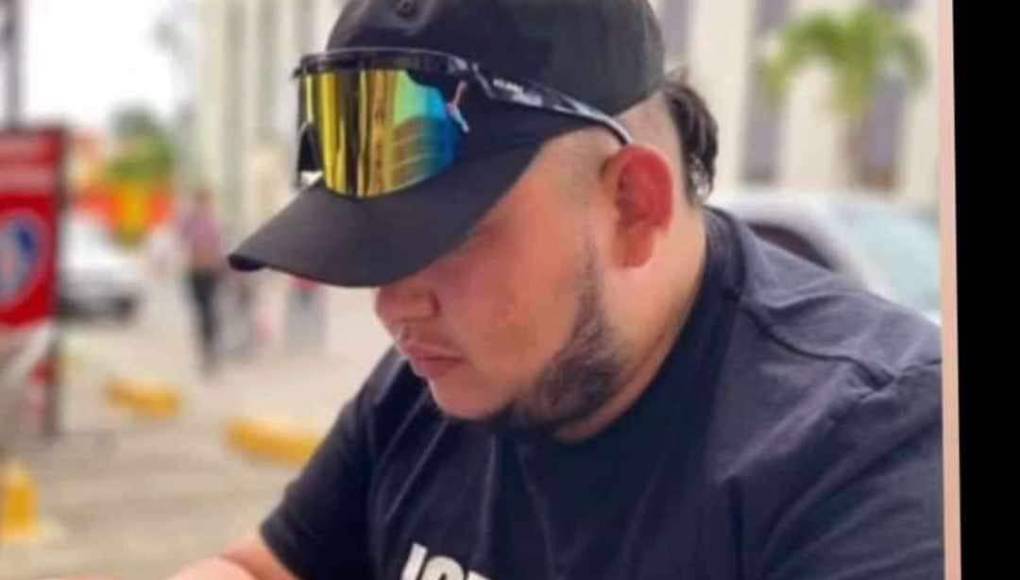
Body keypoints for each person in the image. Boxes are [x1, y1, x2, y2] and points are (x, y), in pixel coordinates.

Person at [170, 0, 943, 578]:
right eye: (379, 249)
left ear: (632, 205)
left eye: (447, 237)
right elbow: (263, 567)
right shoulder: (429, 384)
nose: (393, 305)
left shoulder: (873, 449)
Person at [178, 189, 225, 376]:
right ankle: (206, 349)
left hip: (209, 272)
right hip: (195, 271)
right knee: (200, 310)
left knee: (209, 310)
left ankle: (210, 349)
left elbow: (219, 247)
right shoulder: (191, 222)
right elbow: (181, 238)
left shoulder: (213, 223)